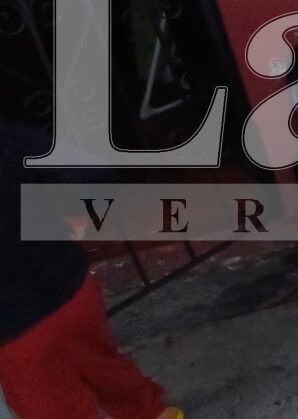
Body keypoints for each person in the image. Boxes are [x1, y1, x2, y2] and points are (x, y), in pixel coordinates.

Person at [0, 123, 183, 419]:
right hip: (73, 287)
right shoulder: (9, 135)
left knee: (54, 406)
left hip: (16, 328)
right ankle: (154, 414)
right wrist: (77, 219)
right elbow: (89, 169)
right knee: (101, 362)